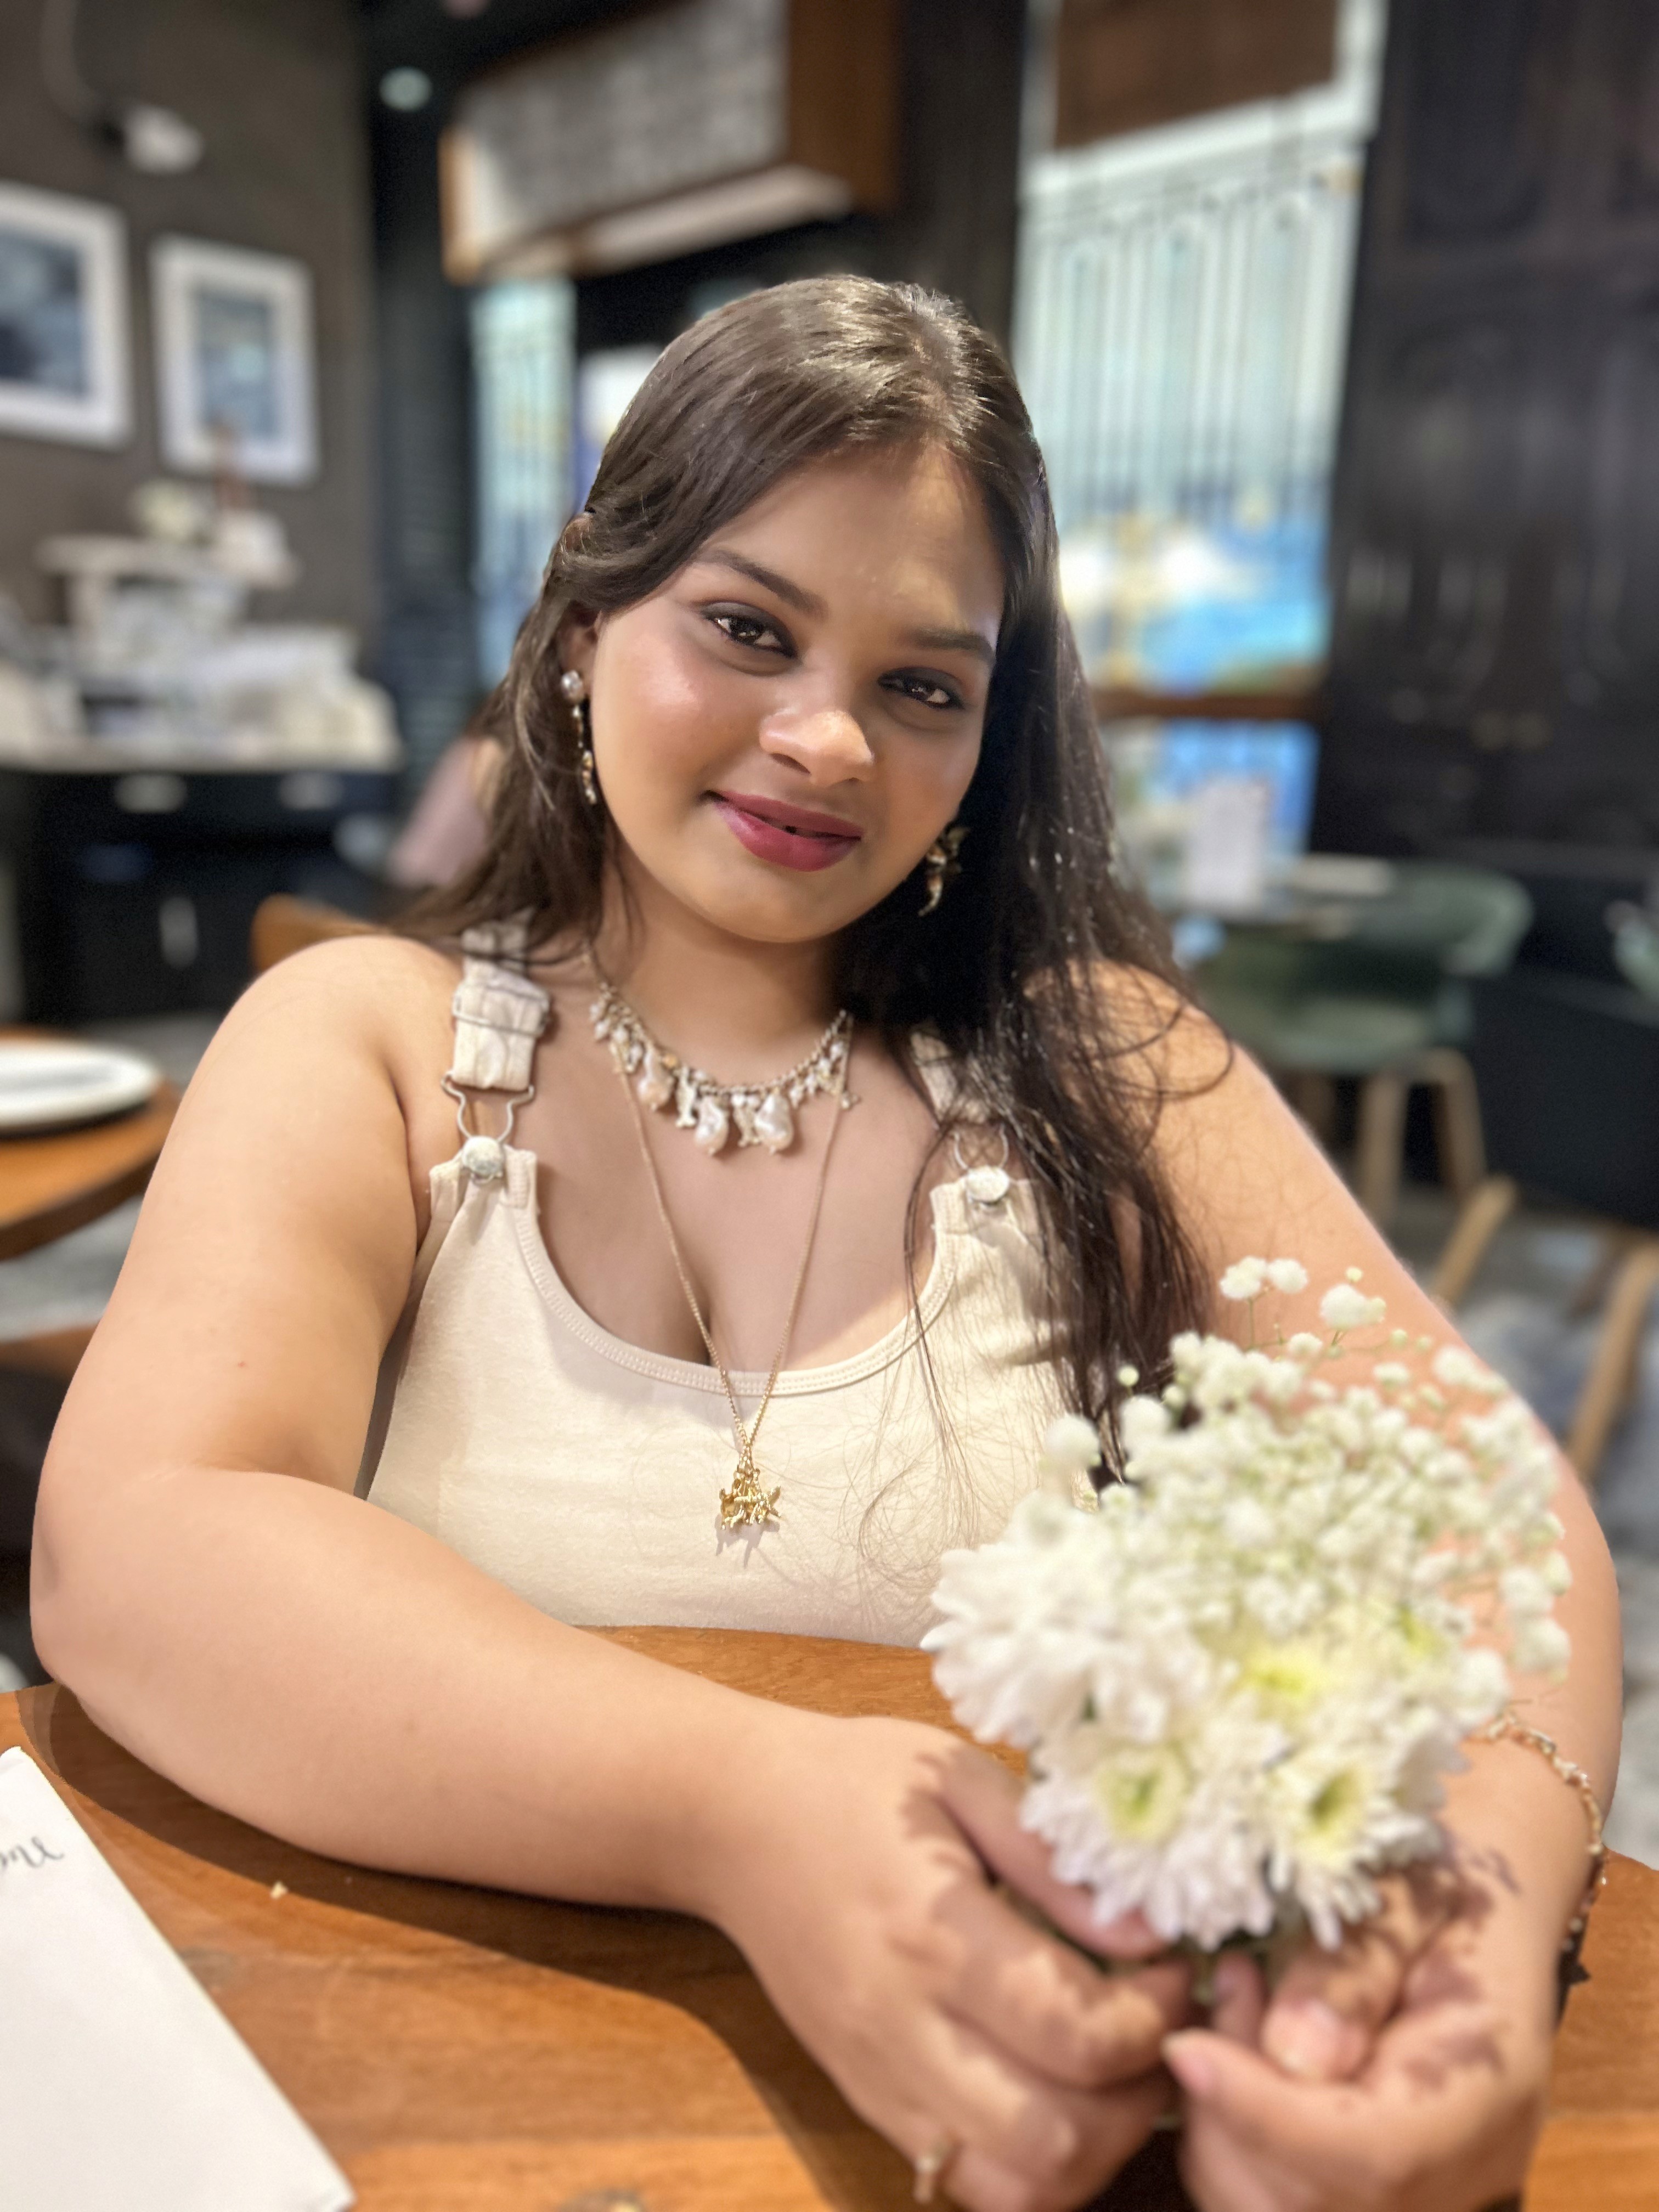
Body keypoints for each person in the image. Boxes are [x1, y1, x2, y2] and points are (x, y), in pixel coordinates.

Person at [33, 279, 1620, 2212]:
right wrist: (742, 1810)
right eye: (747, 627)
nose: (827, 739)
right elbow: (141, 1543)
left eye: (922, 686)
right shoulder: (374, 1043)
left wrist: (1470, 1939)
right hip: (439, 2112)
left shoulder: (1110, 1064)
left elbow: (1481, 1509)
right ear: (585, 621)